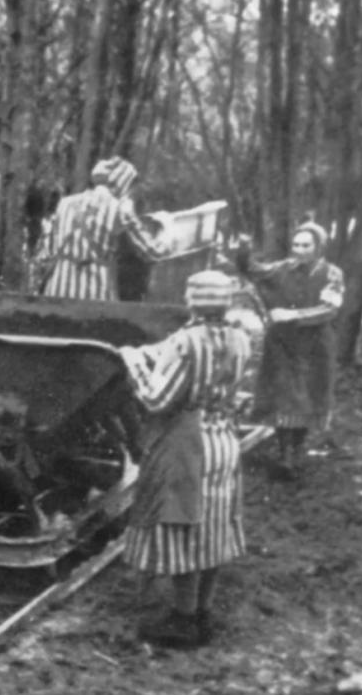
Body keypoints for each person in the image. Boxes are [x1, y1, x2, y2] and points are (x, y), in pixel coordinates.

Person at [117, 270, 251, 649]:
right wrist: (156, 353)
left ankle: (182, 620)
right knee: (214, 526)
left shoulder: (185, 341)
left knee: (185, 526)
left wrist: (133, 361)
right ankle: (203, 612)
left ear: (192, 301)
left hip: (188, 443)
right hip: (223, 439)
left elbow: (158, 399)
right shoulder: (240, 338)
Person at [235, 222, 345, 480]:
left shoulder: (332, 274)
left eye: (306, 245)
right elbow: (252, 270)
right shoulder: (282, 268)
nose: (299, 250)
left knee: (308, 397)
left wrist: (293, 314)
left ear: (318, 247)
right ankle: (286, 455)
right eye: (296, 244)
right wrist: (243, 249)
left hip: (315, 346)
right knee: (285, 398)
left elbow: (331, 308)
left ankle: (296, 449)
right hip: (283, 346)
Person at [32, 156, 169, 301]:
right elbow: (153, 252)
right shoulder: (121, 209)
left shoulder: (65, 203)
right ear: (123, 184)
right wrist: (166, 229)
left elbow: (47, 253)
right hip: (93, 296)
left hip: (56, 293)